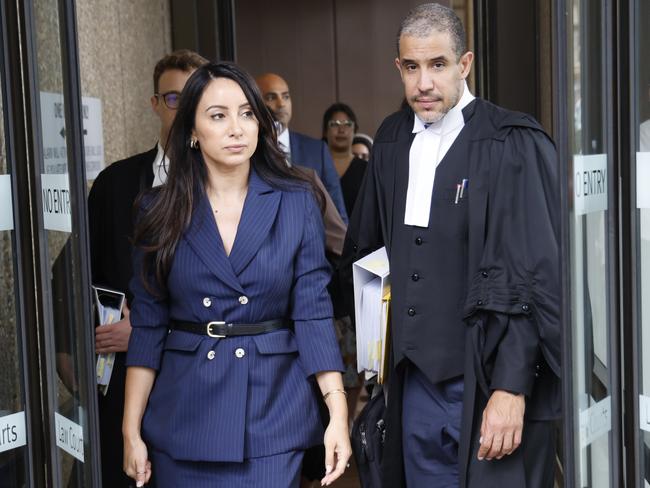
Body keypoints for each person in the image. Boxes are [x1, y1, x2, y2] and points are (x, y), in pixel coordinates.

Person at [341, 3, 561, 487]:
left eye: (438, 65)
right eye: (412, 67)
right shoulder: (392, 141)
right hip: (413, 384)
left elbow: (535, 276)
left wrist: (512, 386)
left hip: (486, 382)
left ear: (464, 64)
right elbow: (369, 259)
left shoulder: (510, 142)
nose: (424, 83)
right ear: (398, 67)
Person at [122, 61, 352, 488]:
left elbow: (313, 315)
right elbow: (148, 325)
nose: (236, 128)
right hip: (186, 412)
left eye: (247, 113)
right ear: (192, 130)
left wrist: (337, 413)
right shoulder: (157, 209)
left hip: (272, 409)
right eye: (218, 116)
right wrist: (130, 429)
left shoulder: (296, 200)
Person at [87, 49, 207, 488]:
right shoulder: (114, 184)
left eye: (196, 96)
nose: (186, 108)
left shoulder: (230, 184)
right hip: (123, 385)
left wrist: (151, 330)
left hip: (201, 383)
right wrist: (99, 332)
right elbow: (84, 277)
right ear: (155, 104)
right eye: (175, 98)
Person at [256, 72, 348, 223]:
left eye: (286, 96)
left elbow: (338, 213)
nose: (281, 104)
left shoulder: (317, 150)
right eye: (271, 97)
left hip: (316, 243)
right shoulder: (248, 151)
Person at [322, 103, 368, 217]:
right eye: (334, 124)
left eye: (347, 124)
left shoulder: (367, 169)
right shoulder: (315, 166)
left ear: (355, 130)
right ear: (325, 131)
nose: (341, 130)